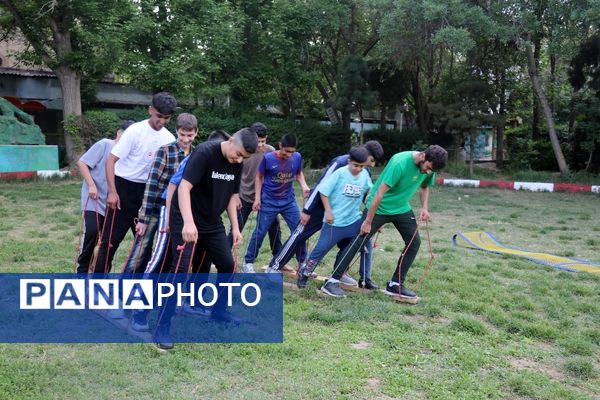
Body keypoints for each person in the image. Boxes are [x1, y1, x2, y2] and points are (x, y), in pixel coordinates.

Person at [153, 128, 258, 350]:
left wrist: (236, 227)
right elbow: (183, 187)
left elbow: (231, 195)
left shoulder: (236, 163)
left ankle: (219, 312)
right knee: (180, 270)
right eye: (238, 154)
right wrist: (188, 223)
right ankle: (162, 325)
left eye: (243, 158)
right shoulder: (205, 152)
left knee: (228, 265)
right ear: (231, 141)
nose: (238, 160)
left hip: (211, 221)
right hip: (186, 216)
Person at [320, 145, 448, 298]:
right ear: (423, 156)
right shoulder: (399, 163)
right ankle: (332, 281)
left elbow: (425, 186)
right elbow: (379, 193)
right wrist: (368, 221)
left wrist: (425, 208)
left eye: (431, 171)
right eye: (428, 168)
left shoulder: (429, 167)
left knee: (414, 243)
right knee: (359, 240)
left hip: (401, 208)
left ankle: (395, 284)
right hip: (380, 206)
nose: (427, 172)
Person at [266, 140, 384, 289]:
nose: (372, 165)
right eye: (372, 160)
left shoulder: (364, 171)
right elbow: (322, 186)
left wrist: (371, 218)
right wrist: (308, 210)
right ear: (365, 154)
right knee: (300, 234)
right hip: (320, 206)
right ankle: (275, 266)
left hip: (342, 214)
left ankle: (340, 273)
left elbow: (368, 193)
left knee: (351, 242)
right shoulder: (341, 163)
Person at [92, 92, 177, 275]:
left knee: (143, 245)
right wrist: (112, 192)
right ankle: (97, 285)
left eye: (167, 118)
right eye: (159, 116)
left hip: (149, 194)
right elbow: (110, 161)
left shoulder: (169, 139)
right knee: (110, 241)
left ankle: (135, 289)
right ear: (150, 110)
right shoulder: (135, 131)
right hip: (124, 189)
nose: (162, 121)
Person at [123, 113, 198, 274]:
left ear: (196, 132)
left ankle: (156, 288)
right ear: (176, 131)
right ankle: (127, 288)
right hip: (156, 209)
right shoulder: (164, 151)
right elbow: (151, 184)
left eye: (190, 135)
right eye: (182, 134)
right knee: (141, 249)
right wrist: (143, 218)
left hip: (177, 213)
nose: (186, 139)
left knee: (166, 253)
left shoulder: (197, 155)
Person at [296, 146, 372, 288]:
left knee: (361, 245)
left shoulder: (365, 174)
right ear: (349, 161)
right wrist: (328, 211)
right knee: (320, 250)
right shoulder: (340, 173)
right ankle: (305, 273)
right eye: (355, 165)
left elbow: (369, 191)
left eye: (362, 166)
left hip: (354, 220)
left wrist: (369, 209)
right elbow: (323, 192)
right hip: (334, 222)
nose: (358, 169)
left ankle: (346, 275)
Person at [242, 133, 310, 273]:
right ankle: (248, 263)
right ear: (280, 146)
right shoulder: (268, 158)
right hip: (269, 201)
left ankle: (302, 263)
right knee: (260, 232)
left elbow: (298, 174)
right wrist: (257, 199)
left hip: (288, 201)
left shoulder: (297, 157)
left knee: (299, 230)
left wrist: (304, 186)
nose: (289, 155)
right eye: (286, 151)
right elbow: (259, 177)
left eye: (292, 151)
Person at [75, 120, 134, 274]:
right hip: (93, 200)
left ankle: (100, 272)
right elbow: (82, 163)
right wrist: (92, 185)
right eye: (125, 135)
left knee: (107, 241)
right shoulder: (105, 144)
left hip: (111, 204)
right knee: (93, 232)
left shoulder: (128, 154)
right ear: (118, 133)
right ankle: (81, 270)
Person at [228, 122, 282, 256]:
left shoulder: (270, 151)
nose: (260, 145)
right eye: (257, 141)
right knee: (236, 227)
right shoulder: (243, 150)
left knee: (274, 226)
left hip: (264, 197)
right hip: (244, 195)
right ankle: (223, 255)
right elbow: (233, 174)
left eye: (263, 141)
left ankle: (278, 258)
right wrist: (235, 195)